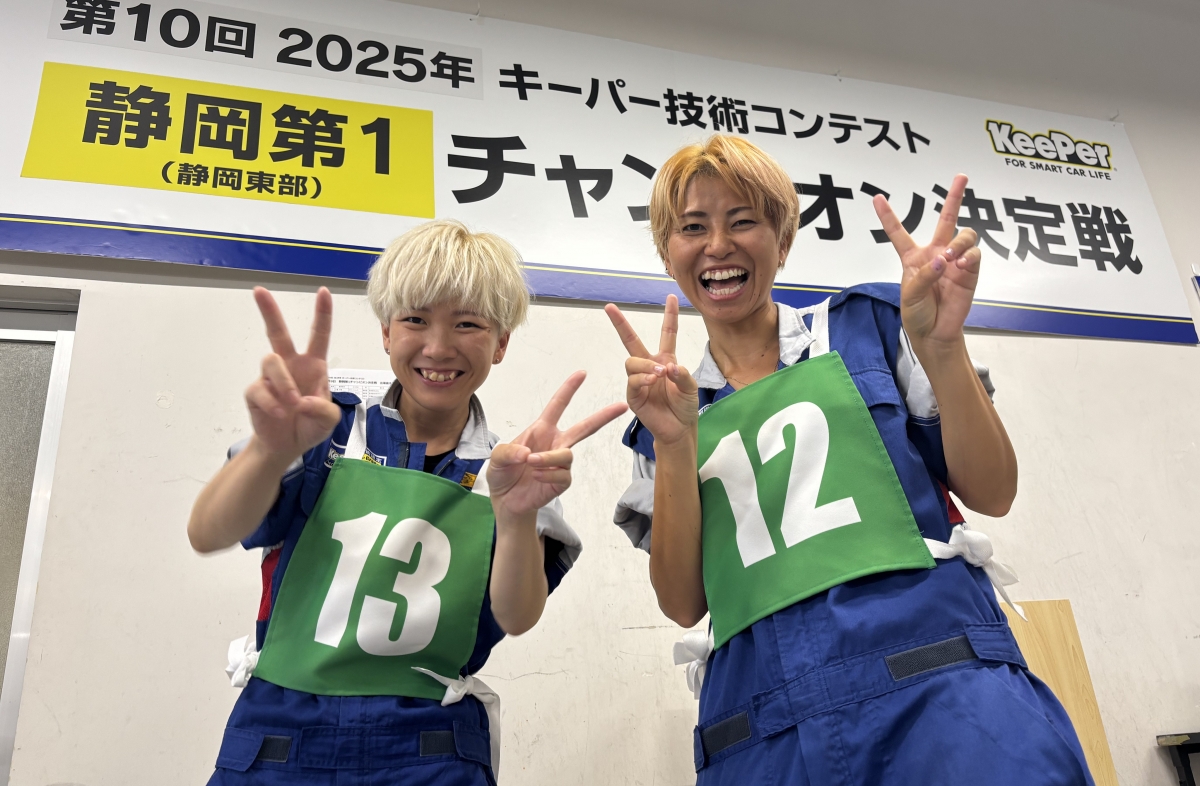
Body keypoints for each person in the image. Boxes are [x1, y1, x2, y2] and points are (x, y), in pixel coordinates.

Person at [606, 135, 1093, 785]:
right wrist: (673, 443)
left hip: (943, 695)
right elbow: (682, 602)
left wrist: (942, 346)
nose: (717, 245)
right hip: (764, 730)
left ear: (783, 240)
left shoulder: (872, 327)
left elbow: (992, 491)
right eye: (693, 227)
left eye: (742, 220)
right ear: (668, 254)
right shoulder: (664, 412)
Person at [189, 219, 626, 785]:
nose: (438, 347)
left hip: (432, 749)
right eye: (415, 319)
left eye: (467, 323)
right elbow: (208, 532)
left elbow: (517, 617)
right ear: (386, 332)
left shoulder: (513, 468)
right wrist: (270, 451)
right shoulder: (324, 431)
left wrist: (517, 516)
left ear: (500, 343)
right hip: (278, 739)